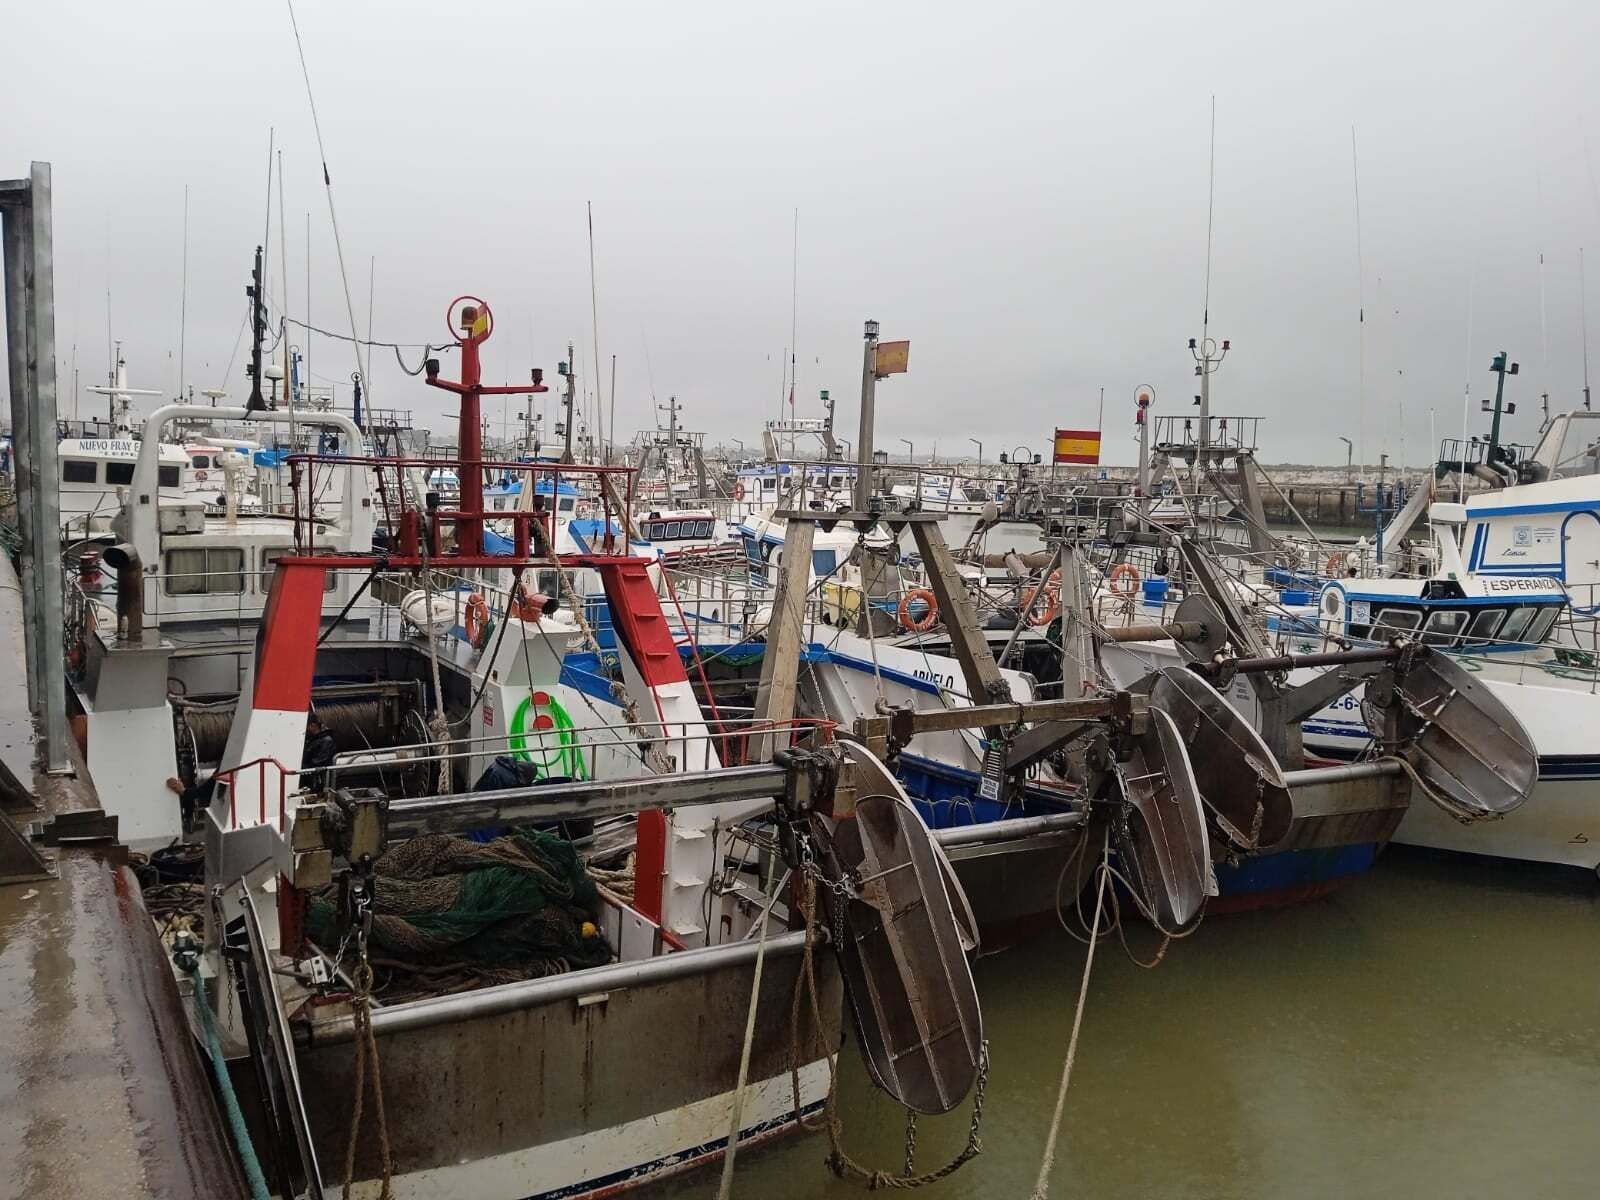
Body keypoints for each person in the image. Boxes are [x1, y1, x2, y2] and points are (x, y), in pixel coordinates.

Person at [302, 712, 339, 790]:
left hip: (319, 778)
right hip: (312, 775)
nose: (305, 729)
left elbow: (321, 760)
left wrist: (303, 766)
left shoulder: (326, 741)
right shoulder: (314, 739)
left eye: (307, 726)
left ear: (313, 725)